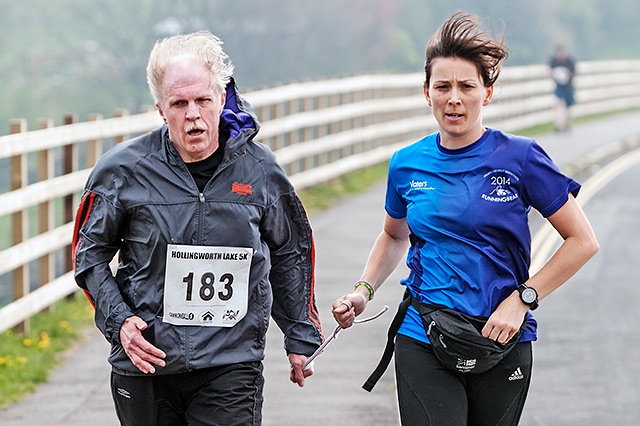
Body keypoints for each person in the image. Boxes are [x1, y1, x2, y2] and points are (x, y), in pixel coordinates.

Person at [332, 11, 598, 426]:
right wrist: (363, 290)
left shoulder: (521, 157)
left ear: (487, 93)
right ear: (427, 93)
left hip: (502, 337)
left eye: (466, 86)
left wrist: (523, 299)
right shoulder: (407, 164)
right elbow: (393, 236)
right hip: (425, 332)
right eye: (443, 86)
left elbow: (583, 240)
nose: (453, 97)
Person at [72, 31, 323, 426]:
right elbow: (89, 255)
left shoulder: (260, 170)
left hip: (230, 362)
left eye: (203, 100)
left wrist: (300, 334)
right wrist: (119, 322)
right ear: (160, 109)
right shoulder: (122, 171)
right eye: (179, 103)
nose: (193, 114)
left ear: (221, 100)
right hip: (146, 362)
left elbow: (290, 249)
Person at [550, 45, 577, 131]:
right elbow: (550, 72)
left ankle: (568, 123)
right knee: (559, 104)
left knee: (568, 107)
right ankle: (558, 124)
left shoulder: (569, 61)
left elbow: (574, 73)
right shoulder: (554, 61)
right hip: (559, 86)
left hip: (568, 87)